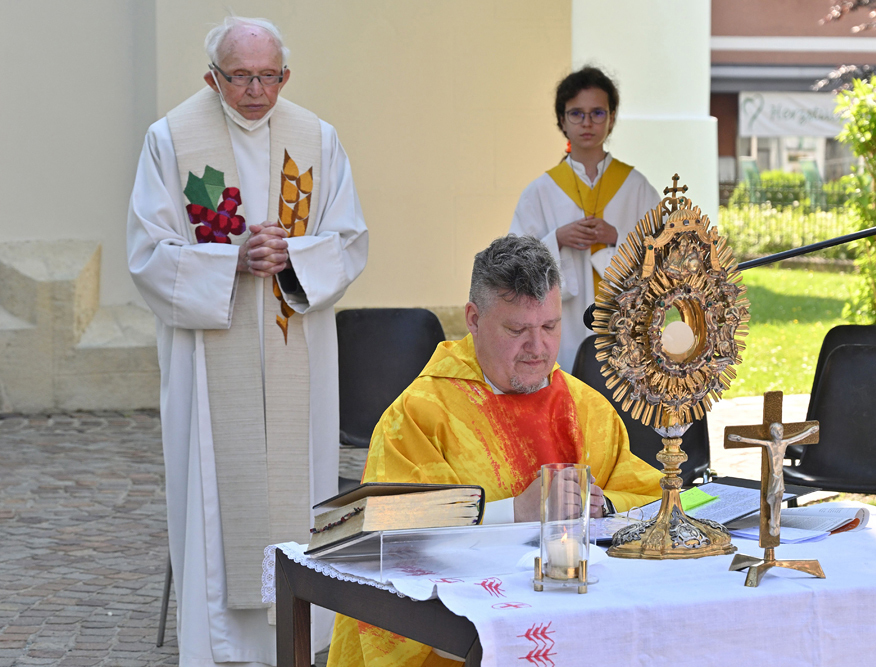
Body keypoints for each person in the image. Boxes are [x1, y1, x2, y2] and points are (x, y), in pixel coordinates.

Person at [126, 16, 368, 667]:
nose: (257, 91)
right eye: (240, 77)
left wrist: (293, 255)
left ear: (285, 76)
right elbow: (147, 253)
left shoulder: (317, 139)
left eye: (269, 76)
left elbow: (349, 240)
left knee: (297, 492)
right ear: (212, 78)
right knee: (216, 498)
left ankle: (297, 637)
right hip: (211, 360)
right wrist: (230, 260)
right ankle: (219, 647)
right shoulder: (171, 139)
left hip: (297, 351)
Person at [326, 235, 661, 667]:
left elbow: (654, 498)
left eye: (549, 326)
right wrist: (514, 511)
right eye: (517, 330)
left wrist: (603, 507)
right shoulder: (421, 413)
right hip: (457, 642)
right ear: (474, 318)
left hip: (582, 624)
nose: (538, 349)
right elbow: (387, 530)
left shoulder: (587, 409)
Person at [510, 66, 661, 370]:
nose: (587, 122)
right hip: (564, 321)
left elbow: (664, 251)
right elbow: (513, 263)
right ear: (562, 120)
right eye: (576, 113)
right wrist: (557, 239)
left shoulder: (636, 187)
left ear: (612, 118)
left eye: (597, 113)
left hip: (626, 318)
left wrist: (617, 237)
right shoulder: (540, 192)